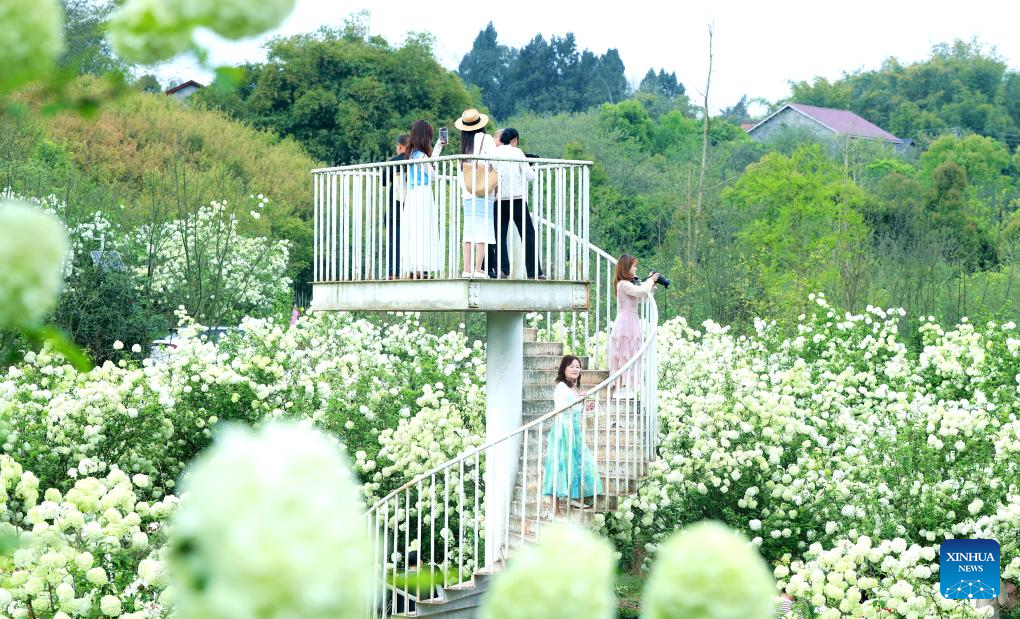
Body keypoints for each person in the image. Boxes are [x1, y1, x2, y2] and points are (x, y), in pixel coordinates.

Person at [542, 355, 603, 517]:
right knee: (558, 467)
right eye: (571, 366)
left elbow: (574, 410)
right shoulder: (561, 387)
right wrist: (578, 400)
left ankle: (572, 498)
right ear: (564, 369)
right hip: (562, 431)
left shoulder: (572, 389)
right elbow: (561, 409)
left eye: (578, 366)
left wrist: (584, 406)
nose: (575, 369)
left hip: (573, 431)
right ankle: (554, 511)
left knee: (576, 465)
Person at [491, 128, 544, 279]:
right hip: (517, 198)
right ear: (514, 139)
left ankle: (503, 269)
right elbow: (530, 176)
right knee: (527, 234)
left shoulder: (494, 153)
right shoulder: (518, 153)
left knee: (499, 235)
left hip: (499, 199)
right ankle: (534, 271)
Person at [456, 108, 498, 278]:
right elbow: (496, 160)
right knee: (483, 230)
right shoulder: (486, 138)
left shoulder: (465, 143)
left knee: (468, 231)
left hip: (467, 192)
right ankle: (478, 269)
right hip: (483, 189)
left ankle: (466, 270)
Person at [401, 121, 446, 279]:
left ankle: (414, 268)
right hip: (423, 194)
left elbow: (428, 167)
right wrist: (435, 167)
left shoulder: (412, 154)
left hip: (413, 194)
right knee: (424, 230)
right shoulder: (421, 156)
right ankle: (421, 269)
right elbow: (432, 175)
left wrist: (438, 147)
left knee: (414, 231)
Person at [608, 254, 657, 398]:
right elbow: (640, 291)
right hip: (625, 323)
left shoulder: (627, 285)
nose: (635, 269)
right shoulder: (623, 284)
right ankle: (621, 387)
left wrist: (651, 286)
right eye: (633, 266)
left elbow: (642, 297)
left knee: (631, 354)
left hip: (632, 321)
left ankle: (626, 387)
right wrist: (650, 281)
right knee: (624, 355)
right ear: (626, 268)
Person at [381, 134, 409, 279]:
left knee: (394, 240)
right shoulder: (416, 160)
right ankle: (412, 270)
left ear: (399, 146)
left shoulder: (394, 162)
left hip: (395, 207)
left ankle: (394, 272)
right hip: (412, 206)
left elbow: (383, 181)